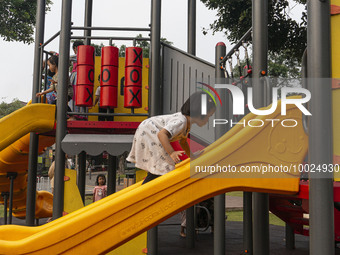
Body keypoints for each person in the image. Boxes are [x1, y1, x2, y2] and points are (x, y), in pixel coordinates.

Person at [126, 91, 216, 184]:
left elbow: (183, 142)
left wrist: (192, 156)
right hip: (149, 130)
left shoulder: (186, 124)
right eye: (208, 116)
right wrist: (172, 153)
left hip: (147, 129)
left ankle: (150, 183)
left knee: (161, 165)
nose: (207, 120)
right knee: (163, 165)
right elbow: (162, 134)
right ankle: (147, 188)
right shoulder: (181, 122)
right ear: (200, 112)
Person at [36, 55, 74, 119]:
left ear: (54, 64)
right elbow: (52, 88)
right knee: (55, 105)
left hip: (67, 92)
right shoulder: (54, 77)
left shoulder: (62, 73)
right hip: (60, 95)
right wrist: (42, 93)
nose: (49, 67)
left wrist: (56, 82)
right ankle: (64, 117)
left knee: (60, 103)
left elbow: (64, 81)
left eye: (49, 65)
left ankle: (72, 116)